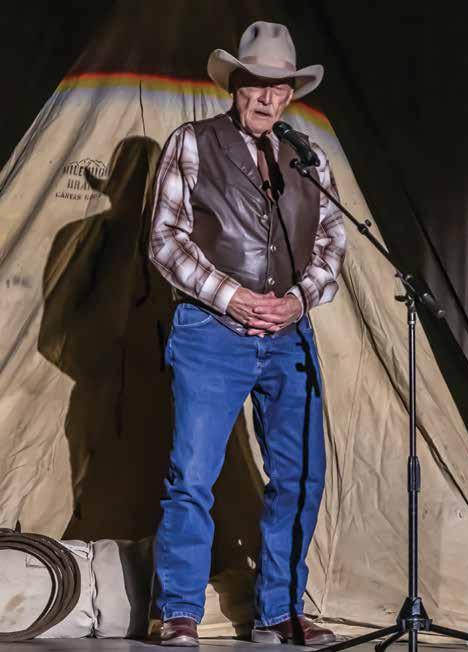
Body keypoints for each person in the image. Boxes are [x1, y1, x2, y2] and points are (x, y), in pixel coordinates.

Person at [149, 21, 346, 647]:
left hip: (289, 336)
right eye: (255, 84)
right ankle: (178, 609)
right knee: (192, 475)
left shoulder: (308, 158)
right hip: (211, 330)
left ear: (291, 93)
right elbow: (165, 239)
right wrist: (232, 296)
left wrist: (295, 301)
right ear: (235, 86)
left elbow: (333, 243)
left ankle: (280, 610)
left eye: (278, 87)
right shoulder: (192, 142)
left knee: (302, 475)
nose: (266, 97)